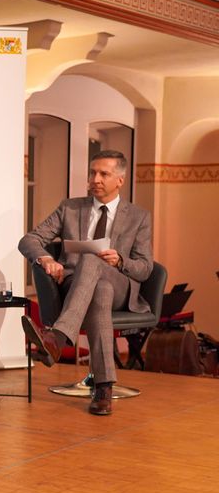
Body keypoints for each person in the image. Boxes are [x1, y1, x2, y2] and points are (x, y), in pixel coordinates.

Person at [19, 150, 153, 416]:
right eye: (92, 173)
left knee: (97, 268)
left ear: (120, 180)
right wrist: (46, 259)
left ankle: (56, 337)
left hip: (120, 286)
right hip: (75, 283)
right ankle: (103, 388)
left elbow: (146, 268)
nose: (96, 179)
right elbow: (29, 240)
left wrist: (120, 261)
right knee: (98, 291)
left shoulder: (139, 217)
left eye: (104, 174)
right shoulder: (70, 207)